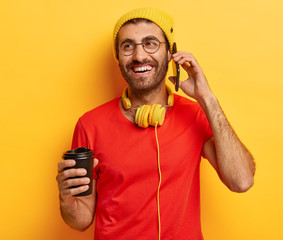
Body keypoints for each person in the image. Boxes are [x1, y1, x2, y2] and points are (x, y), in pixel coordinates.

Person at [56, 8, 255, 240]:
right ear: (118, 57)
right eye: (128, 46)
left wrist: (207, 99)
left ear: (171, 53)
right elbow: (80, 221)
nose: (139, 56)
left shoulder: (195, 114)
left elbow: (241, 182)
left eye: (150, 43)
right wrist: (66, 199)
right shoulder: (89, 125)